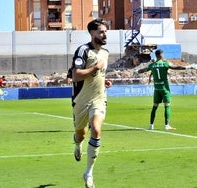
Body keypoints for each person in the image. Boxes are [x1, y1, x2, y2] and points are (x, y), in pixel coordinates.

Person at [69, 19, 112, 188]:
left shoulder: (106, 53)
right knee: (81, 133)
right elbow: (76, 76)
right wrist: (94, 69)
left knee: (96, 128)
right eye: (101, 32)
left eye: (106, 32)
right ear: (92, 33)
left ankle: (88, 173)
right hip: (81, 101)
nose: (105, 34)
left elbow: (99, 75)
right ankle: (77, 143)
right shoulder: (83, 50)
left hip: (99, 99)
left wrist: (104, 80)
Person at [136, 49, 197, 130]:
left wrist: (136, 71)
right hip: (164, 88)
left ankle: (151, 125)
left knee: (154, 106)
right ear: (161, 55)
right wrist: (188, 67)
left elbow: (143, 70)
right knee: (167, 105)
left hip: (157, 89)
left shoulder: (152, 65)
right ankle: (166, 125)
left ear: (156, 55)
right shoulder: (165, 64)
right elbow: (176, 67)